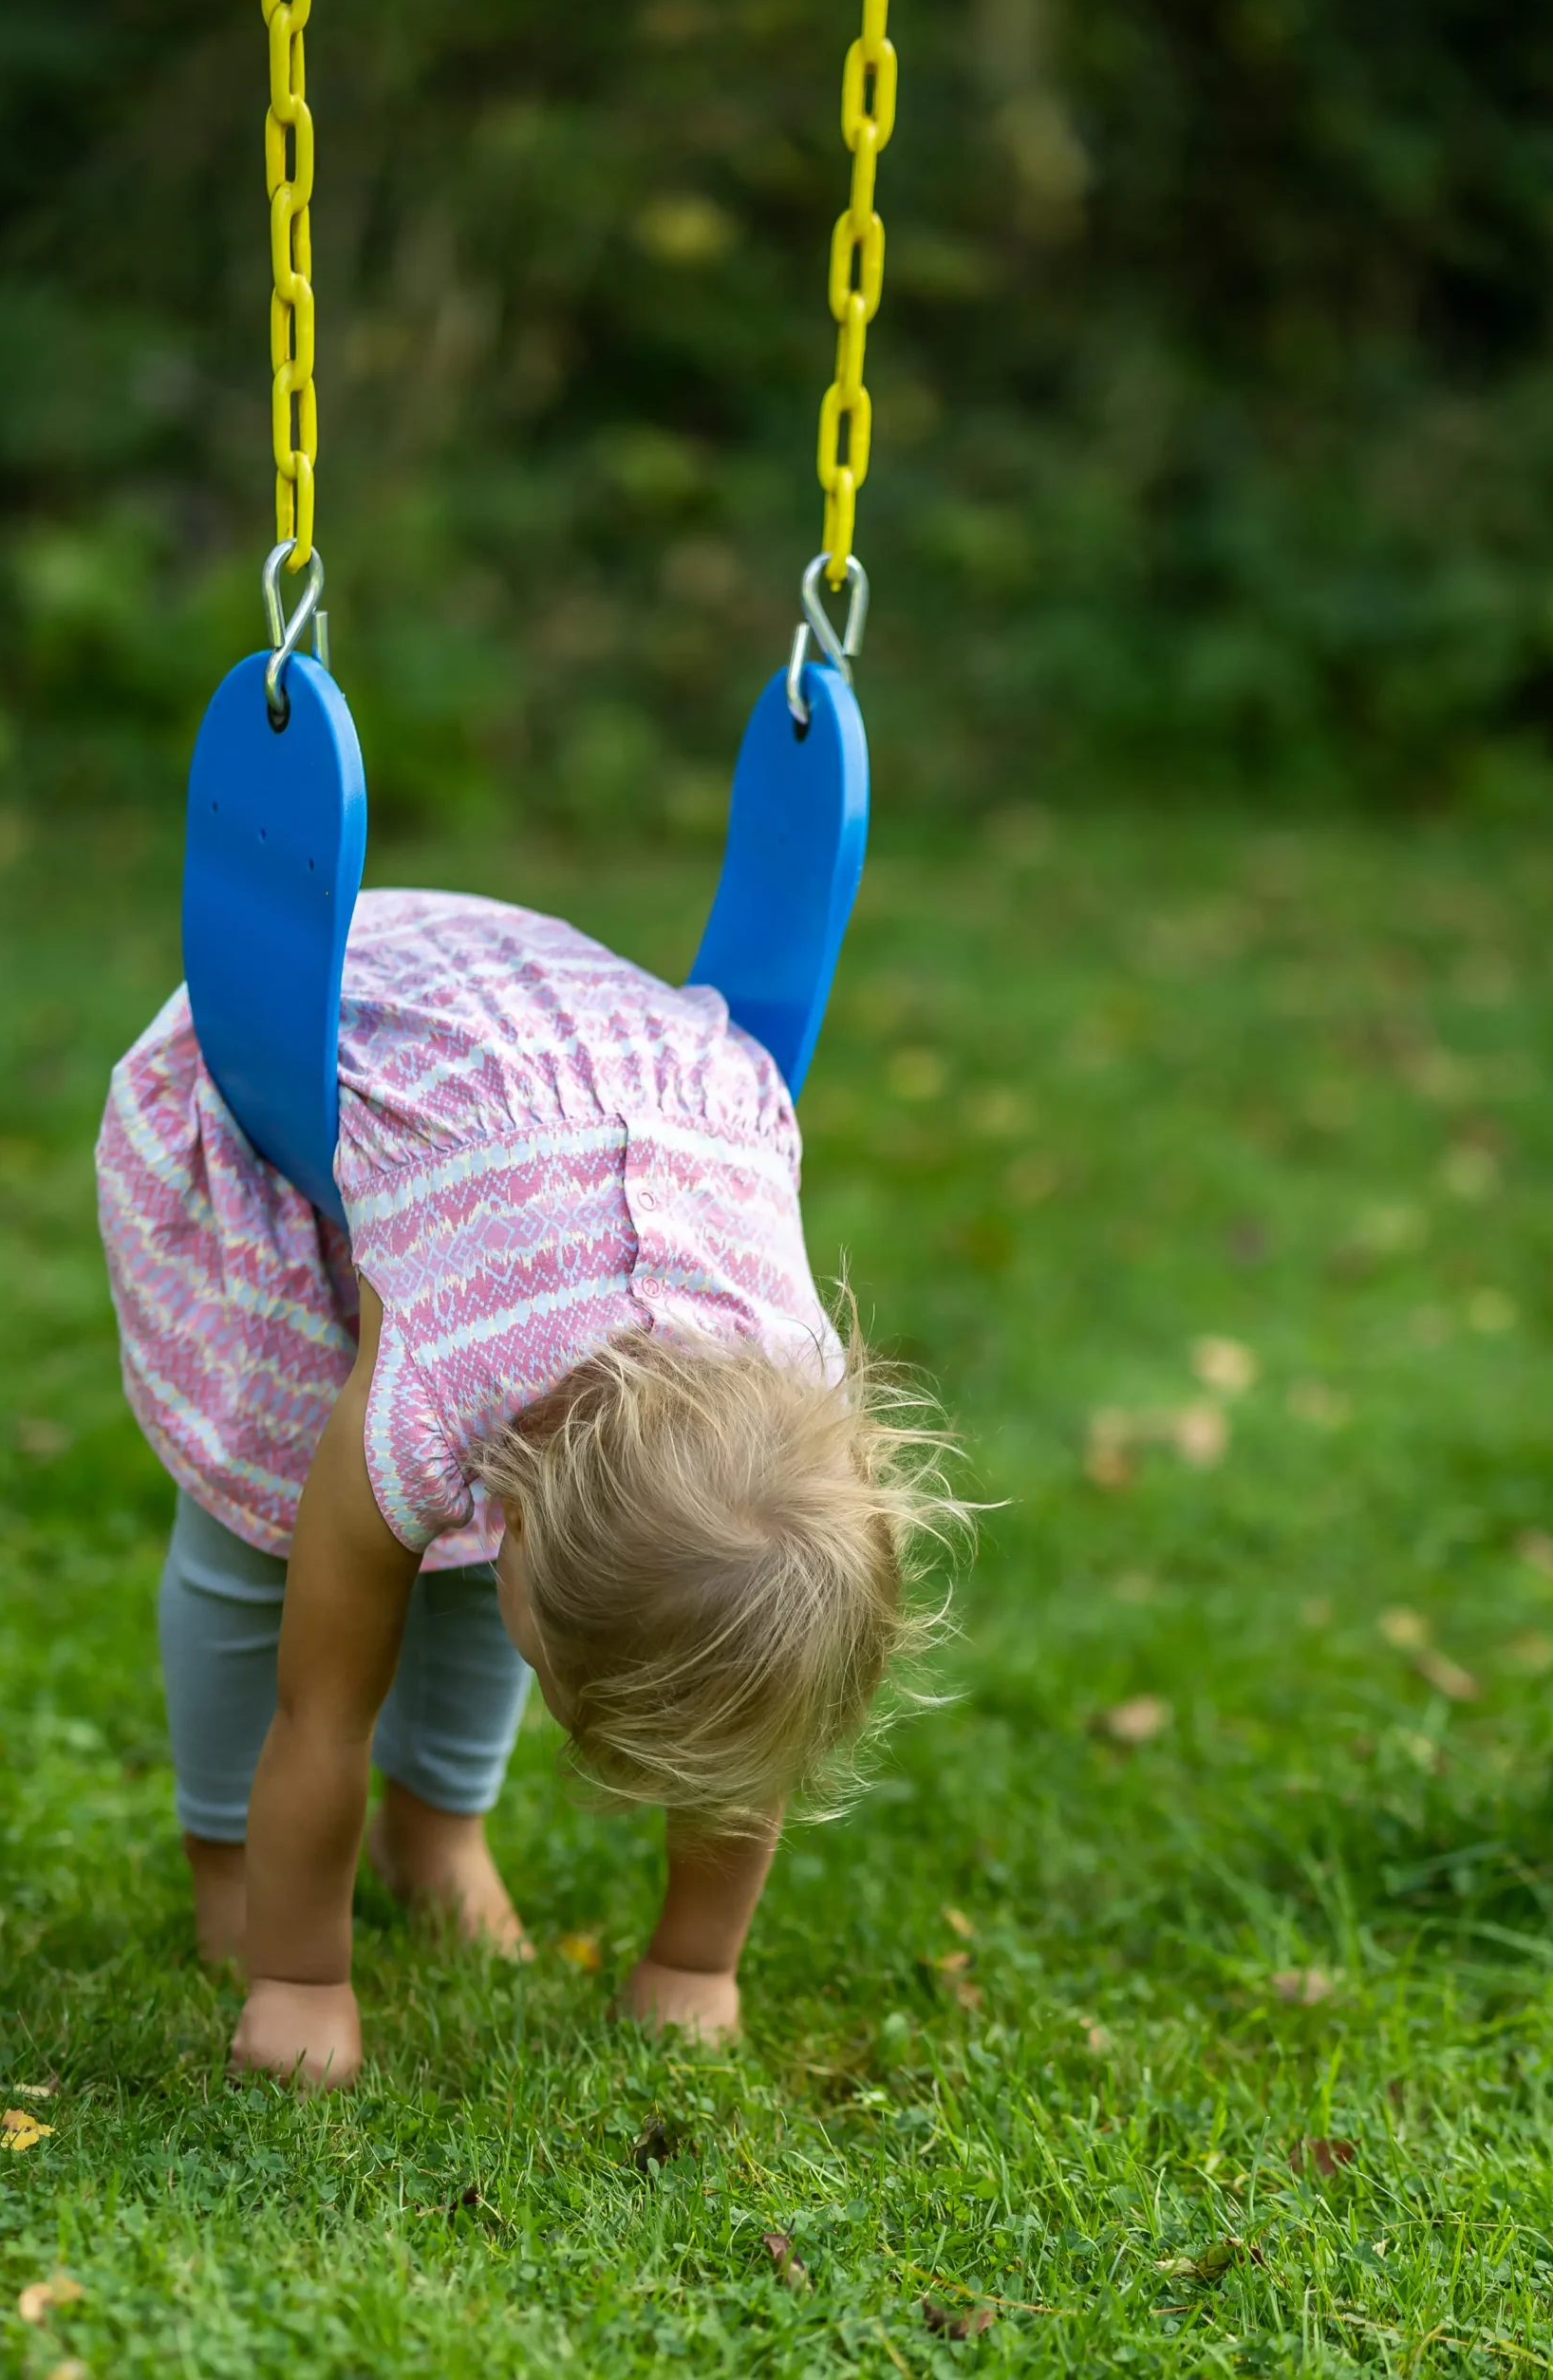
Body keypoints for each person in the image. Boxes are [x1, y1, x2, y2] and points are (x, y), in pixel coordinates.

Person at [95, 888, 953, 2086]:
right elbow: (322, 1709)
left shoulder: (796, 1384)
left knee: (648, 1615)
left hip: (590, 1092)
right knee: (270, 1538)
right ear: (524, 1527)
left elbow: (746, 1742)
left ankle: (434, 1834)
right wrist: (301, 1980)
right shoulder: (438, 1393)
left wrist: (696, 1966)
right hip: (329, 1025)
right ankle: (231, 1871)